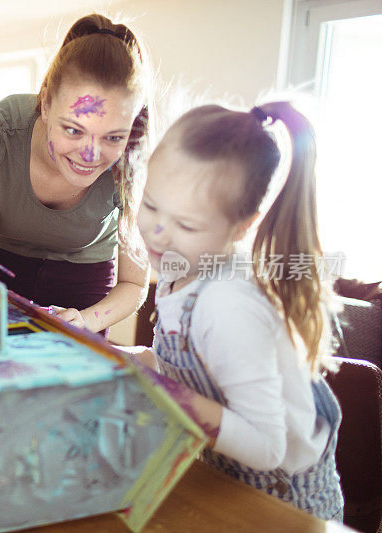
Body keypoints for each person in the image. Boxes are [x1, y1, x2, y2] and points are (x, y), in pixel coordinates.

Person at [135, 101, 343, 519]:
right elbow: (200, 367)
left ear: (242, 226)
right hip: (225, 480)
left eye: (186, 224)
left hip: (283, 506)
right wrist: (143, 362)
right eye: (151, 204)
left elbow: (268, 447)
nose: (157, 231)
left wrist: (164, 395)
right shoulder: (181, 266)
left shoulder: (226, 304)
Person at [0, 14, 151, 333]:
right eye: (73, 130)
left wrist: (85, 320)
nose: (89, 156)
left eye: (113, 137)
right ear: (45, 103)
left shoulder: (134, 157)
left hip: (86, 291)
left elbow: (134, 284)